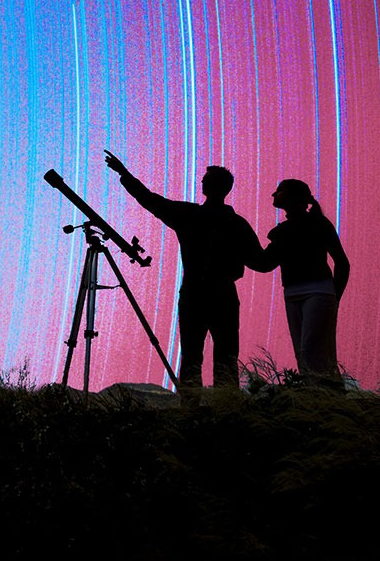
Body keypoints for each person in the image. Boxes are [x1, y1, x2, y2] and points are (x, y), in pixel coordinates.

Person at [103, 151, 263, 393]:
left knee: (193, 356)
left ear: (214, 187)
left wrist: (124, 174)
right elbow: (260, 261)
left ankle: (192, 407)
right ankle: (226, 408)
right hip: (221, 295)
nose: (202, 182)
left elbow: (150, 200)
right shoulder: (235, 223)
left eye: (206, 179)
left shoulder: (191, 216)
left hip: (196, 294)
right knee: (223, 356)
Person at [248, 179, 350, 381]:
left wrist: (333, 297)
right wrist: (333, 296)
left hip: (316, 292)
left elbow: (264, 263)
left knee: (311, 352)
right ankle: (324, 397)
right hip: (304, 294)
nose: (273, 194)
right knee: (308, 353)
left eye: (279, 190)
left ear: (293, 196)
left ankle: (322, 398)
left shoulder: (309, 226)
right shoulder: (299, 228)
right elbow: (264, 264)